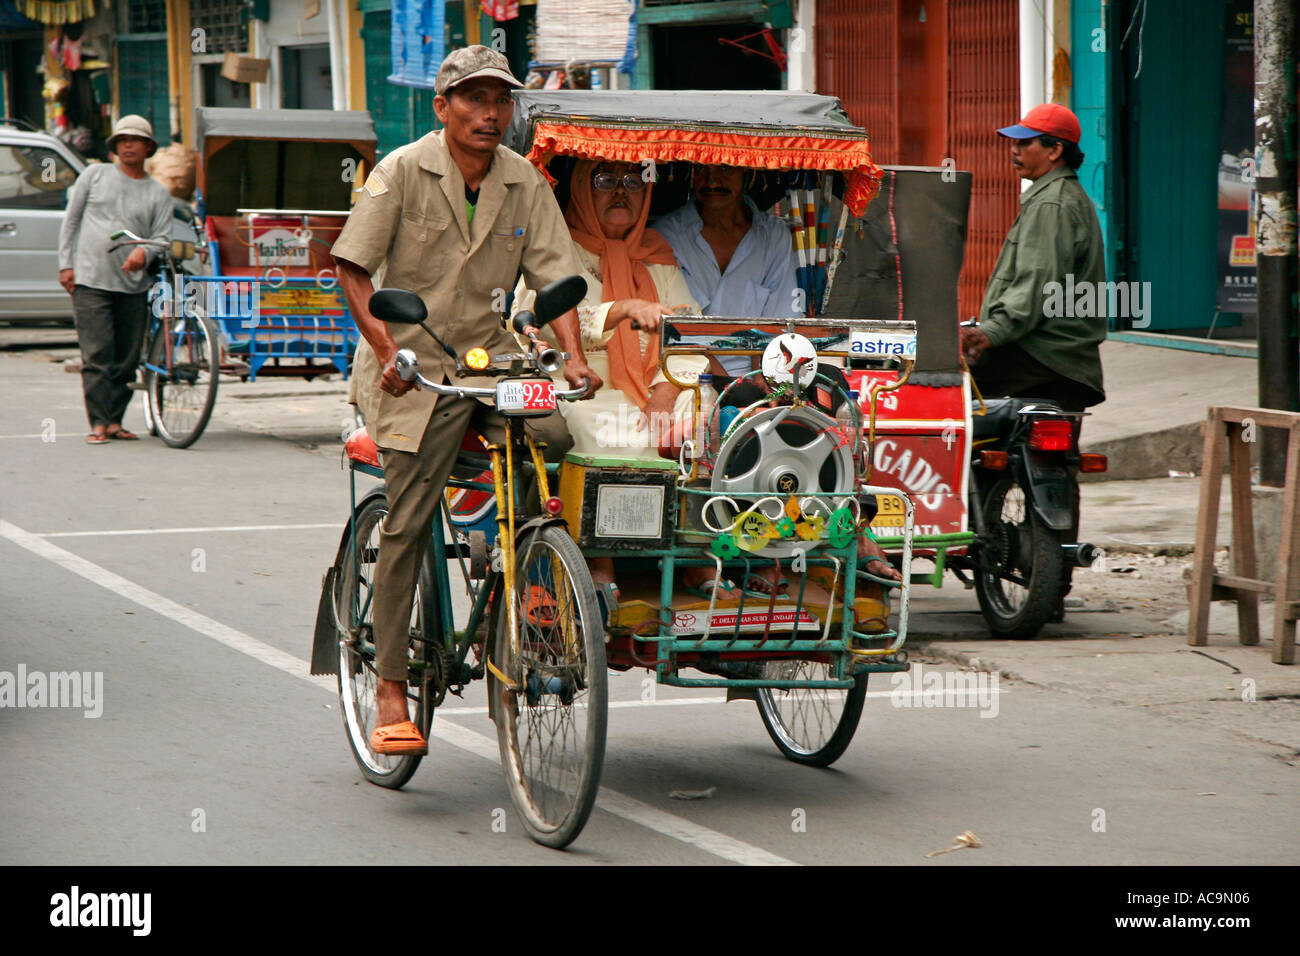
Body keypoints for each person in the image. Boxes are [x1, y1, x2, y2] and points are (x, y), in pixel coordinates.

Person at [331, 46, 600, 757]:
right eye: (475, 99)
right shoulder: (400, 171)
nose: (490, 113)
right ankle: (390, 684)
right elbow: (352, 267)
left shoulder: (522, 181)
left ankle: (532, 571)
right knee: (410, 517)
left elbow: (556, 278)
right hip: (413, 365)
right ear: (442, 105)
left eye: (501, 101)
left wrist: (572, 357)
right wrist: (389, 354)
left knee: (556, 440)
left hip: (496, 358)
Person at [655, 164, 901, 586]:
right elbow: (681, 325)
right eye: (704, 172)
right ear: (690, 175)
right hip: (691, 367)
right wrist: (735, 386)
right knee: (726, 415)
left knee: (835, 393)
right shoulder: (667, 233)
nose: (714, 182)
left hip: (763, 366)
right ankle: (756, 553)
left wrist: (769, 385)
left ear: (748, 178)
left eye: (726, 173)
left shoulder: (771, 236)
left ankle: (855, 527)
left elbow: (783, 325)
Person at [511, 159, 707, 600]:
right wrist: (619, 310)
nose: (622, 191)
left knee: (705, 418)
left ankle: (694, 555)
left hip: (656, 384)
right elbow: (532, 322)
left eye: (634, 181)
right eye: (604, 180)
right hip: (580, 385)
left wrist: (664, 392)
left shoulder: (657, 255)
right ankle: (600, 558)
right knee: (598, 427)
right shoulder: (557, 250)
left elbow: (688, 335)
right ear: (581, 190)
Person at [959, 103, 1107, 411]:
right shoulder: (1062, 196)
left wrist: (991, 331)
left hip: (1043, 353)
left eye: (1024, 143)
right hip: (1061, 357)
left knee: (949, 388)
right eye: (1014, 143)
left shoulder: (1050, 205)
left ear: (1054, 150)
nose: (1014, 151)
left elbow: (1036, 282)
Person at [58, 115, 173, 445]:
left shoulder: (157, 193)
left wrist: (145, 253)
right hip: (91, 280)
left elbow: (162, 237)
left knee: (126, 359)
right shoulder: (94, 175)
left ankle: (115, 421)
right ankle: (98, 421)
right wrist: (66, 265)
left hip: (133, 287)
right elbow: (72, 220)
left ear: (148, 147)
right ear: (114, 146)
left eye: (135, 140)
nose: (128, 145)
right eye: (122, 140)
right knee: (97, 355)